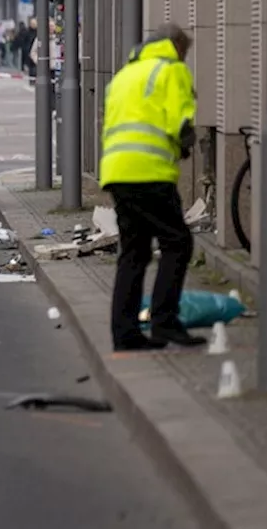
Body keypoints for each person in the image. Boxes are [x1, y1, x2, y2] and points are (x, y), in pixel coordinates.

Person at [101, 24, 202, 351]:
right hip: (149, 171)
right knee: (178, 242)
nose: (184, 57)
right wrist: (186, 143)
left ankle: (125, 333)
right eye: (184, 50)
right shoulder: (172, 70)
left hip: (117, 172)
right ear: (175, 46)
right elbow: (180, 121)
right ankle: (165, 322)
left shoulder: (125, 75)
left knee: (134, 250)